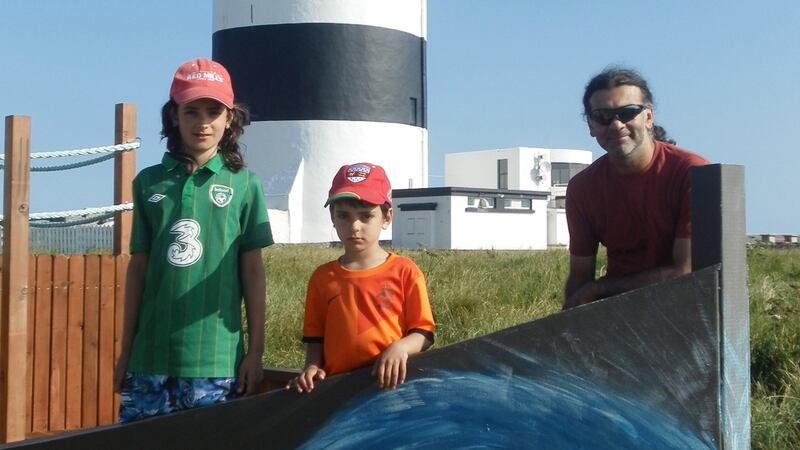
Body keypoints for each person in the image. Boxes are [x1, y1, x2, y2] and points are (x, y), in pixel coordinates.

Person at [113, 58, 274, 422]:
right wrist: (126, 352)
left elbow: (252, 272)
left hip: (216, 362)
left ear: (230, 117)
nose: (203, 122)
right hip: (149, 359)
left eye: (214, 111)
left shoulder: (246, 186)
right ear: (174, 115)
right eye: (192, 111)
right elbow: (138, 268)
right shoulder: (148, 183)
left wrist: (256, 352)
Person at [563, 67, 709, 310]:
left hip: (686, 310)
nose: (616, 125)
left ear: (648, 118)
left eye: (628, 113)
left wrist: (600, 289)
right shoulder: (582, 189)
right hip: (617, 315)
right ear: (590, 125)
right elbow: (579, 278)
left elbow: (685, 272)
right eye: (602, 116)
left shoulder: (692, 173)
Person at [288, 163, 435, 393]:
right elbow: (315, 339)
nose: (354, 226)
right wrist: (312, 368)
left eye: (366, 216)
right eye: (344, 216)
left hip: (391, 388)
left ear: (387, 217)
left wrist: (401, 348)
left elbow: (424, 334)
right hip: (337, 392)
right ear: (332, 217)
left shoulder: (406, 271)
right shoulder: (322, 278)